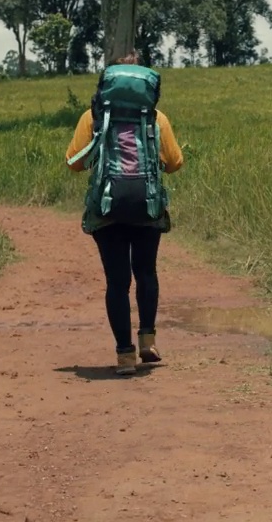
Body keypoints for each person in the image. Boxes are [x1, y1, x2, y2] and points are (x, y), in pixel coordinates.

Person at [65, 53, 184, 375]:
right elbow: (175, 163)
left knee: (117, 282)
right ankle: (148, 340)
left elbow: (75, 162)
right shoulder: (156, 119)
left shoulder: (92, 117)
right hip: (147, 205)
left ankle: (124, 356)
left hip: (106, 207)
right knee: (146, 272)